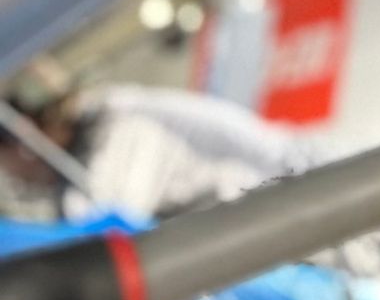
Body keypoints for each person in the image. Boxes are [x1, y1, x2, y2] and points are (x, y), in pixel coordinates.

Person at [0, 63, 329, 220]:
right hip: (288, 209)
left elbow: (110, 230)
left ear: (24, 141)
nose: (12, 178)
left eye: (6, 166)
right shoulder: (107, 125)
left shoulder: (117, 134)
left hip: (313, 202)